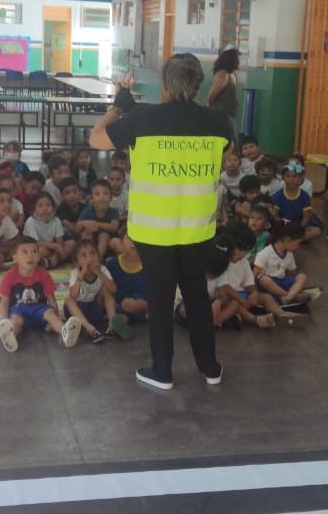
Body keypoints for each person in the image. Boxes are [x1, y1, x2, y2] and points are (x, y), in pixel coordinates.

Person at [91, 54, 233, 390]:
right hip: (197, 228)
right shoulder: (219, 123)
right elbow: (224, 156)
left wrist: (118, 106)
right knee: (197, 295)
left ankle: (162, 371)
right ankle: (210, 368)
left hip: (154, 232)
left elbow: (96, 138)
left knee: (161, 296)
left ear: (165, 85)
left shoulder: (143, 119)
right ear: (199, 85)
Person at [0, 239, 82, 352]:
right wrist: (4, 321)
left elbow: (52, 300)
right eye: (25, 252)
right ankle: (10, 337)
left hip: (39, 308)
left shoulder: (44, 274)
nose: (30, 256)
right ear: (15, 257)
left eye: (34, 252)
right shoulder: (9, 276)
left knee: (50, 314)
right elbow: (4, 302)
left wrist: (55, 317)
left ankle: (65, 332)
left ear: (39, 257)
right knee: (15, 321)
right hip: (18, 309)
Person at [253, 221, 311, 306]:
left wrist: (294, 284)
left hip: (281, 282)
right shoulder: (265, 253)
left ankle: (286, 298)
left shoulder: (289, 254)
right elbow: (254, 276)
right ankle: (292, 296)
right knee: (264, 280)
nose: (298, 247)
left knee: (302, 277)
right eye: (298, 243)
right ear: (287, 239)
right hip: (267, 285)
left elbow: (292, 273)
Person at [24, 192, 71, 267]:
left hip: (54, 249)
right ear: (34, 209)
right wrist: (56, 246)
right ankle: (54, 261)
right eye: (40, 205)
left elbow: (59, 239)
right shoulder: (31, 221)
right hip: (38, 247)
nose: (44, 208)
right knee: (40, 251)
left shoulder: (56, 220)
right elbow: (36, 242)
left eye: (48, 205)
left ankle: (49, 262)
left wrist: (59, 248)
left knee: (71, 243)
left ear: (53, 207)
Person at [206, 48, 241, 130]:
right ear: (231, 60)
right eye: (237, 59)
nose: (239, 62)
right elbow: (211, 96)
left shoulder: (232, 74)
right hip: (221, 116)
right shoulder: (222, 74)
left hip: (229, 115)